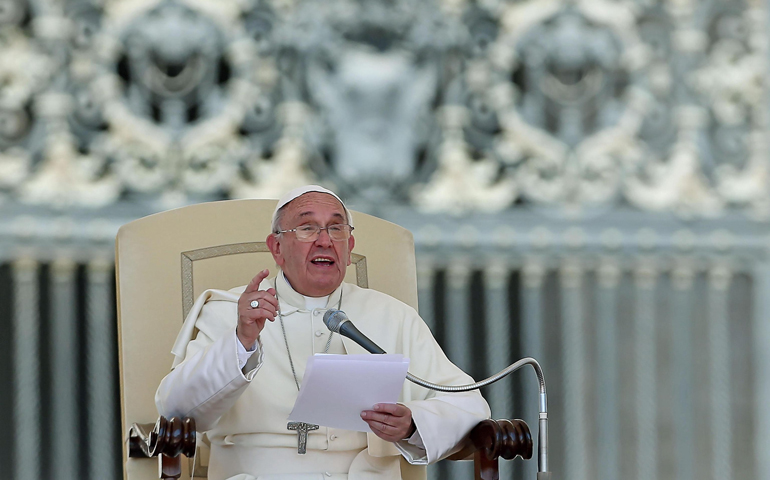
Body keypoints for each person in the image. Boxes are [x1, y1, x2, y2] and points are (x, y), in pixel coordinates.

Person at [156, 185, 490, 480]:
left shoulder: (393, 316)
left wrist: (414, 423)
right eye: (306, 228)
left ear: (350, 245)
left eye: (336, 228)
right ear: (276, 248)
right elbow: (176, 409)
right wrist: (242, 340)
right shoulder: (229, 312)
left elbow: (468, 405)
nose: (324, 240)